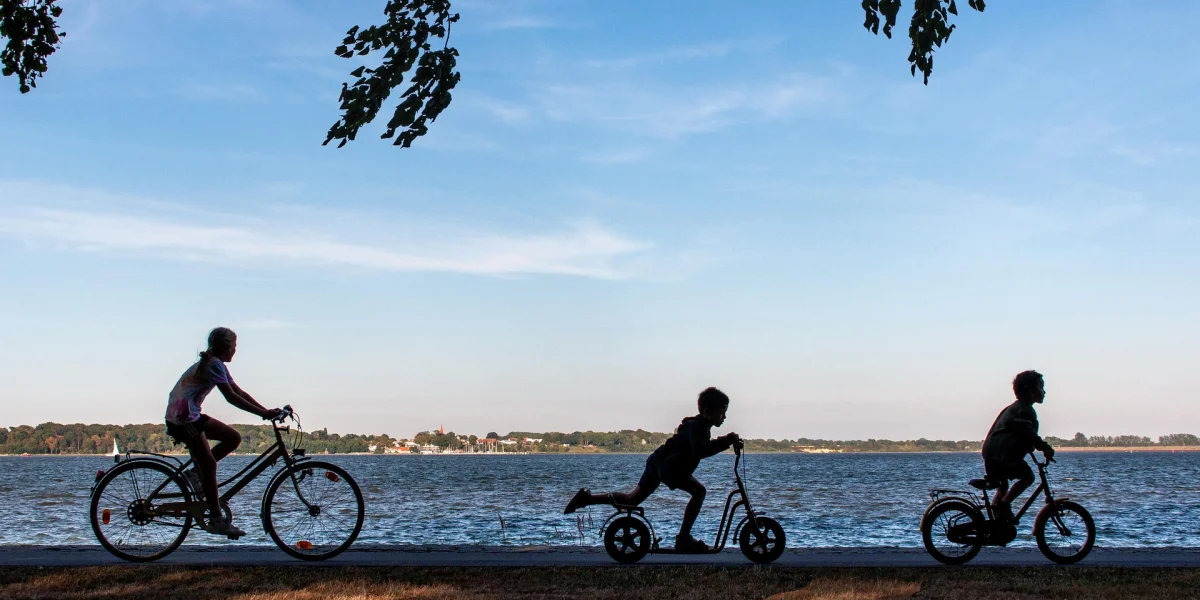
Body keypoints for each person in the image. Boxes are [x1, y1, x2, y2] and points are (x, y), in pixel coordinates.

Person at [563, 387, 741, 552]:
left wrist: (724, 441)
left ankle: (588, 499)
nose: (724, 417)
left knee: (631, 500)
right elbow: (701, 450)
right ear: (707, 412)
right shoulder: (696, 427)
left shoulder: (699, 426)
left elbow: (702, 447)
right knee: (699, 492)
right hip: (670, 467)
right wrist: (726, 441)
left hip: (658, 462)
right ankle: (683, 538)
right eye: (721, 412)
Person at [165, 327, 282, 537]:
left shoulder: (216, 364)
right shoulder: (213, 364)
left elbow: (238, 391)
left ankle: (193, 474)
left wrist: (265, 411)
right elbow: (232, 397)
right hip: (183, 417)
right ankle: (217, 519)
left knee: (233, 437)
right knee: (209, 464)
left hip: (188, 414)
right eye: (235, 345)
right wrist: (263, 414)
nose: (236, 349)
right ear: (227, 346)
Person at [981, 370, 1055, 521]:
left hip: (993, 455)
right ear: (1030, 390)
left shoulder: (1017, 408)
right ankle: (1002, 506)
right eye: (1041, 387)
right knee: (1028, 477)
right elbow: (1028, 433)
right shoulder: (1023, 411)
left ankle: (997, 522)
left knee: (1003, 488)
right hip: (1002, 457)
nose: (1044, 391)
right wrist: (1045, 447)